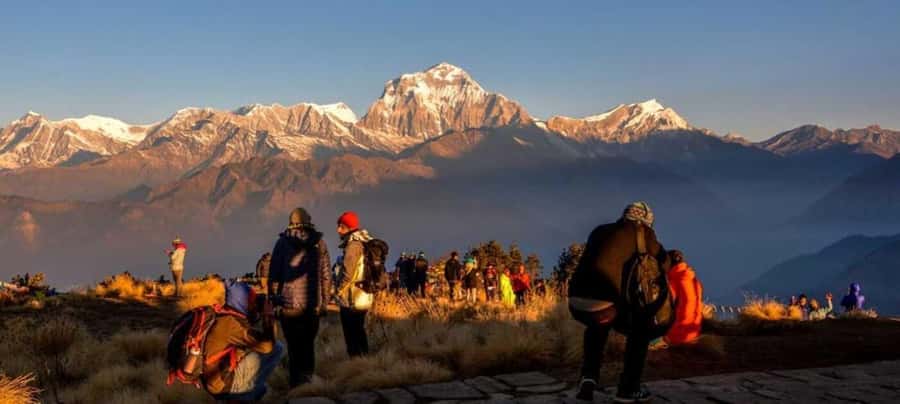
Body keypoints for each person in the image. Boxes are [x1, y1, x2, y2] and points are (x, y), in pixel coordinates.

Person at [568, 201, 669, 403]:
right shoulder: (643, 233)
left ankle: (588, 379)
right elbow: (662, 262)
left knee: (597, 326)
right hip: (606, 306)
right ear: (645, 220)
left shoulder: (600, 230)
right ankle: (628, 389)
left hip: (576, 302)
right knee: (640, 329)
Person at [268, 208, 331, 387]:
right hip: (313, 306)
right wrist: (324, 303)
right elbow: (326, 276)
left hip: (289, 306)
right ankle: (309, 383)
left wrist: (275, 301)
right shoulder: (320, 243)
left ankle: (295, 386)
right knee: (308, 346)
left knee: (294, 348)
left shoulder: (282, 243)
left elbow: (274, 276)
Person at [203, 280, 284, 402]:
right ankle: (245, 395)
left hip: (214, 379)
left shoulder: (224, 316)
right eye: (251, 301)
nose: (254, 305)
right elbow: (267, 346)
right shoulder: (231, 324)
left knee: (257, 353)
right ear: (241, 302)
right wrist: (268, 317)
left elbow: (250, 336)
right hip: (221, 383)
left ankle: (250, 391)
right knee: (277, 348)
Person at [335, 211, 374, 357]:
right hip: (364, 295)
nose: (338, 230)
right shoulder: (364, 241)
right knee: (359, 330)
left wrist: (338, 290)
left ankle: (356, 363)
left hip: (352, 297)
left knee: (351, 334)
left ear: (348, 227)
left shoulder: (353, 246)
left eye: (341, 226)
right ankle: (364, 361)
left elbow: (348, 273)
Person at [662, 250, 703, 347]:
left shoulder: (673, 281)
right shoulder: (694, 280)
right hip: (694, 332)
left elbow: (662, 307)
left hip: (676, 336)